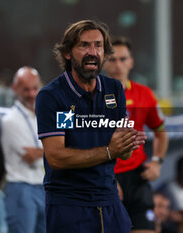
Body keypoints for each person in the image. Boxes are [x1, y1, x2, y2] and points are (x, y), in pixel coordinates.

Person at [35, 20, 147, 233]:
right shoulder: (54, 96)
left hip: (110, 201)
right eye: (84, 45)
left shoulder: (114, 90)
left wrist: (126, 145)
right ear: (67, 53)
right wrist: (109, 151)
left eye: (98, 45)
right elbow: (57, 156)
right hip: (70, 206)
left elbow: (121, 153)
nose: (92, 52)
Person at [103, 36, 169, 233]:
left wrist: (157, 161)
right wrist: (107, 179)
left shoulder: (144, 94)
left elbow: (161, 132)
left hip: (137, 177)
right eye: (112, 59)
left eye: (123, 59)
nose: (118, 65)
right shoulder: (93, 95)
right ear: (104, 62)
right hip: (106, 176)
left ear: (131, 62)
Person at [0, 66, 46, 233]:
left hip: (44, 187)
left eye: (35, 88)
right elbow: (31, 156)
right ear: (15, 89)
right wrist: (55, 149)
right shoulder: (10, 120)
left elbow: (70, 140)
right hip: (21, 189)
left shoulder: (43, 115)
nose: (32, 94)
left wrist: (45, 150)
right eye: (26, 90)